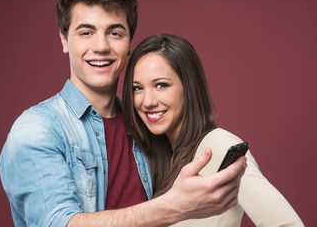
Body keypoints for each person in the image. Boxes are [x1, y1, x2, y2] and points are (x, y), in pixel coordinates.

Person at [0, 0, 247, 226]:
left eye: (115, 33)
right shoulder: (36, 129)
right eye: (86, 32)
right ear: (64, 39)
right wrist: (172, 206)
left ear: (129, 42)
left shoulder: (147, 128)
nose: (101, 46)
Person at [122, 33, 304, 226]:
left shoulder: (218, 146)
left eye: (161, 85)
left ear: (189, 87)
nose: (147, 101)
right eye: (137, 88)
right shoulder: (153, 159)